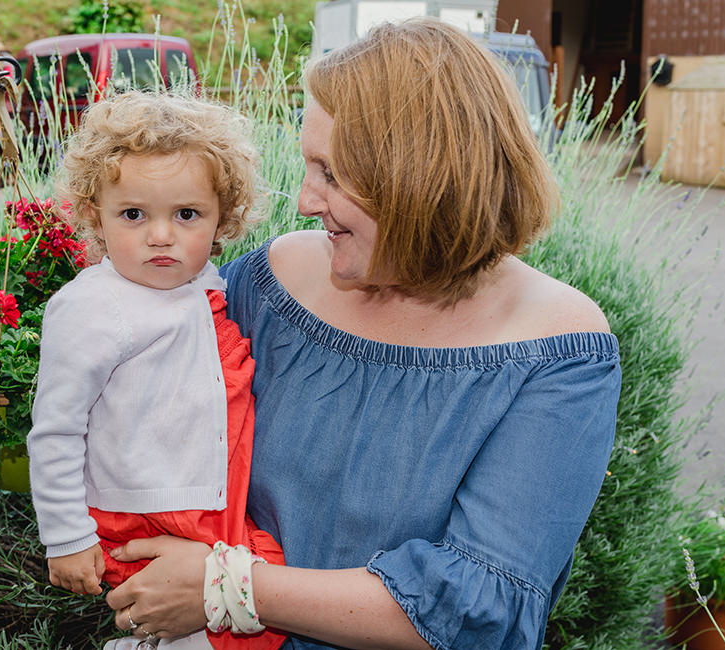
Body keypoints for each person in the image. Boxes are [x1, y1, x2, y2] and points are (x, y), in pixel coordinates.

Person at [102, 17, 622, 650]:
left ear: (419, 180)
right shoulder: (272, 282)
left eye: (331, 173)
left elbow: (485, 605)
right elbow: (139, 374)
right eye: (306, 165)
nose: (303, 200)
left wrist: (227, 587)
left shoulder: (556, 345)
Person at [27, 90, 285, 650]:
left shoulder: (204, 285)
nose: (161, 235)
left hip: (212, 499)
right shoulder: (93, 307)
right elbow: (57, 428)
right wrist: (66, 536)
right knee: (223, 626)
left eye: (186, 215)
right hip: (143, 510)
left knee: (254, 606)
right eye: (134, 214)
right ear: (95, 213)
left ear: (224, 219)